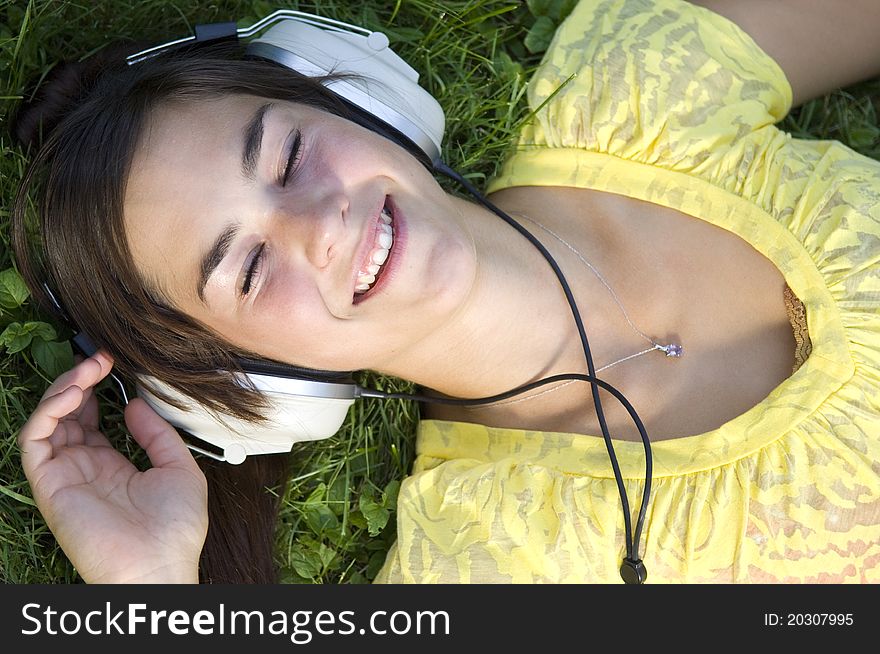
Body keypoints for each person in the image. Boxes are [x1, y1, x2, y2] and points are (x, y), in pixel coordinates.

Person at [11, 0, 880, 584]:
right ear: (257, 383)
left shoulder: (633, 89)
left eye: (286, 157)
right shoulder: (485, 560)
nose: (319, 225)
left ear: (355, 97)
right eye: (246, 268)